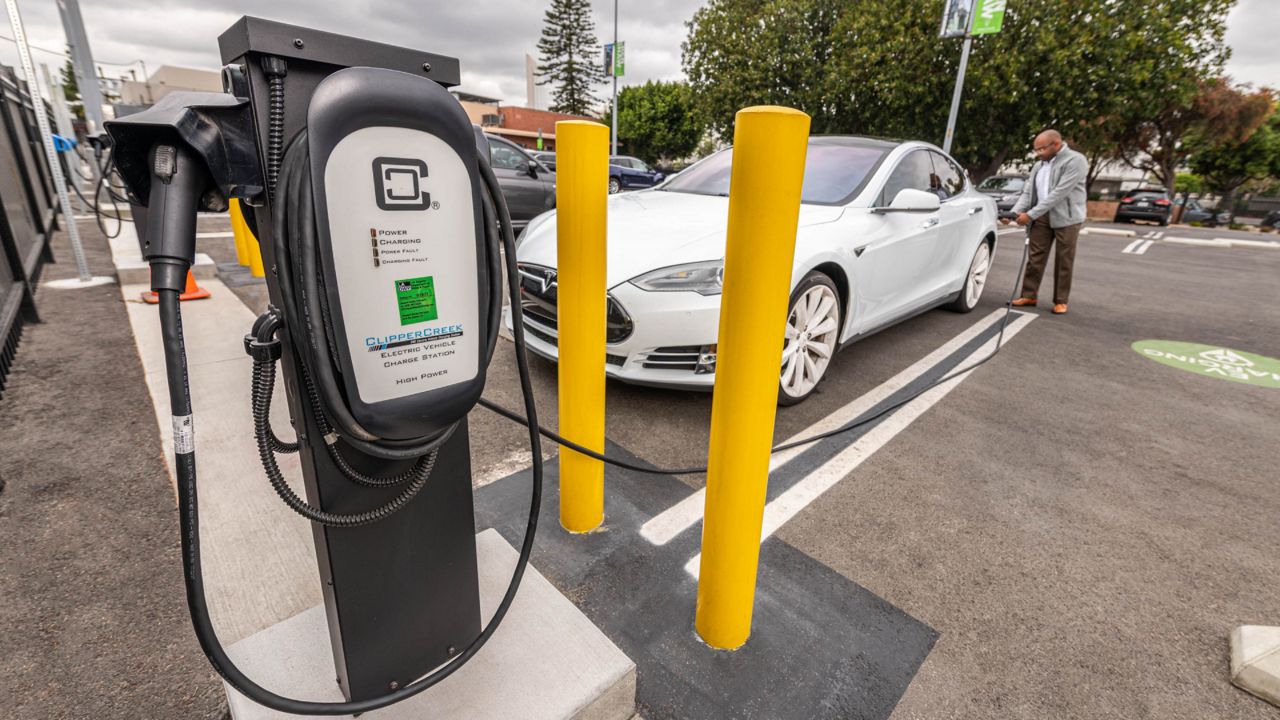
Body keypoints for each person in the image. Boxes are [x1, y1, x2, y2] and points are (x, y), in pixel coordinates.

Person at [1002, 129, 1088, 315]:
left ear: (1056, 144)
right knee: (1035, 258)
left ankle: (1061, 300)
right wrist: (1014, 212)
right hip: (1041, 216)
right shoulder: (1038, 166)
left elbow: (1058, 193)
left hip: (1067, 218)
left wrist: (1030, 215)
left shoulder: (1076, 161)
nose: (1038, 153)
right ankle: (1029, 295)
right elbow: (1028, 192)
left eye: (1041, 149)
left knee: (1064, 259)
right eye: (1036, 150)